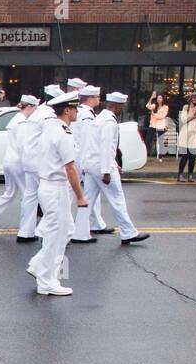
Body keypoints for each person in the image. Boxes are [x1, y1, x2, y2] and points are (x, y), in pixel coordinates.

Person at [27, 89, 88, 296]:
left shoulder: (50, 129)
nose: (77, 112)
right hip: (56, 187)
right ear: (68, 110)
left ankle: (39, 265)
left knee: (65, 230)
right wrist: (80, 196)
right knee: (56, 235)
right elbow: (70, 168)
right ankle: (47, 281)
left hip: (47, 185)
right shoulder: (63, 132)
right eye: (75, 109)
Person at [87, 92, 149, 245]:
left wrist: (113, 164)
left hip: (92, 165)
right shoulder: (109, 122)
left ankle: (77, 232)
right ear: (115, 106)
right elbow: (107, 147)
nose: (123, 109)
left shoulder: (99, 118)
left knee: (87, 201)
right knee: (117, 199)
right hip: (102, 167)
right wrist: (107, 170)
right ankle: (128, 233)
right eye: (122, 106)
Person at [0, 94, 35, 230]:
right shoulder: (22, 122)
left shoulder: (16, 118)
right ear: (30, 107)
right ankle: (27, 230)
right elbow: (23, 146)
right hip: (18, 163)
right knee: (29, 196)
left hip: (9, 161)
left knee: (9, 194)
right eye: (35, 108)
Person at [14, 88, 61, 244]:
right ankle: (47, 232)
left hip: (28, 160)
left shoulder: (37, 113)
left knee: (30, 196)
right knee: (47, 196)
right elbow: (49, 141)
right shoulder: (49, 116)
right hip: (40, 162)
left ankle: (25, 232)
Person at [69, 85, 101, 242]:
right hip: (80, 159)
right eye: (97, 97)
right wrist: (83, 165)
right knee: (70, 196)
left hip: (74, 156)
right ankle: (70, 231)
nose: (99, 100)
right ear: (91, 99)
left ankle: (82, 230)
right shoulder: (87, 115)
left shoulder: (79, 111)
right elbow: (87, 142)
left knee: (80, 196)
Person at [145, 92, 168, 162]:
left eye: (160, 98)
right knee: (148, 140)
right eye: (158, 98)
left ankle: (160, 157)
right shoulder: (154, 105)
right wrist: (152, 97)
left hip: (161, 125)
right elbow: (147, 106)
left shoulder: (165, 107)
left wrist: (154, 114)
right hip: (153, 125)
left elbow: (163, 116)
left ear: (163, 99)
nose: (159, 99)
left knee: (161, 141)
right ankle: (145, 155)